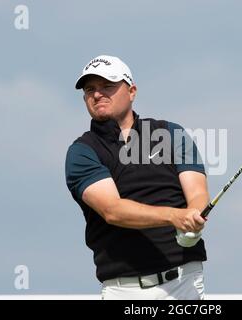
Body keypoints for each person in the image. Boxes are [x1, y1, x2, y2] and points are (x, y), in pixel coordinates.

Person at [65, 54, 209, 300]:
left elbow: (196, 192)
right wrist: (176, 217)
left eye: (107, 86)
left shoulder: (170, 133)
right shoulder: (82, 152)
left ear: (131, 91)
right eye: (90, 89)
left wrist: (193, 219)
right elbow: (113, 210)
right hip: (125, 290)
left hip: (186, 284)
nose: (97, 94)